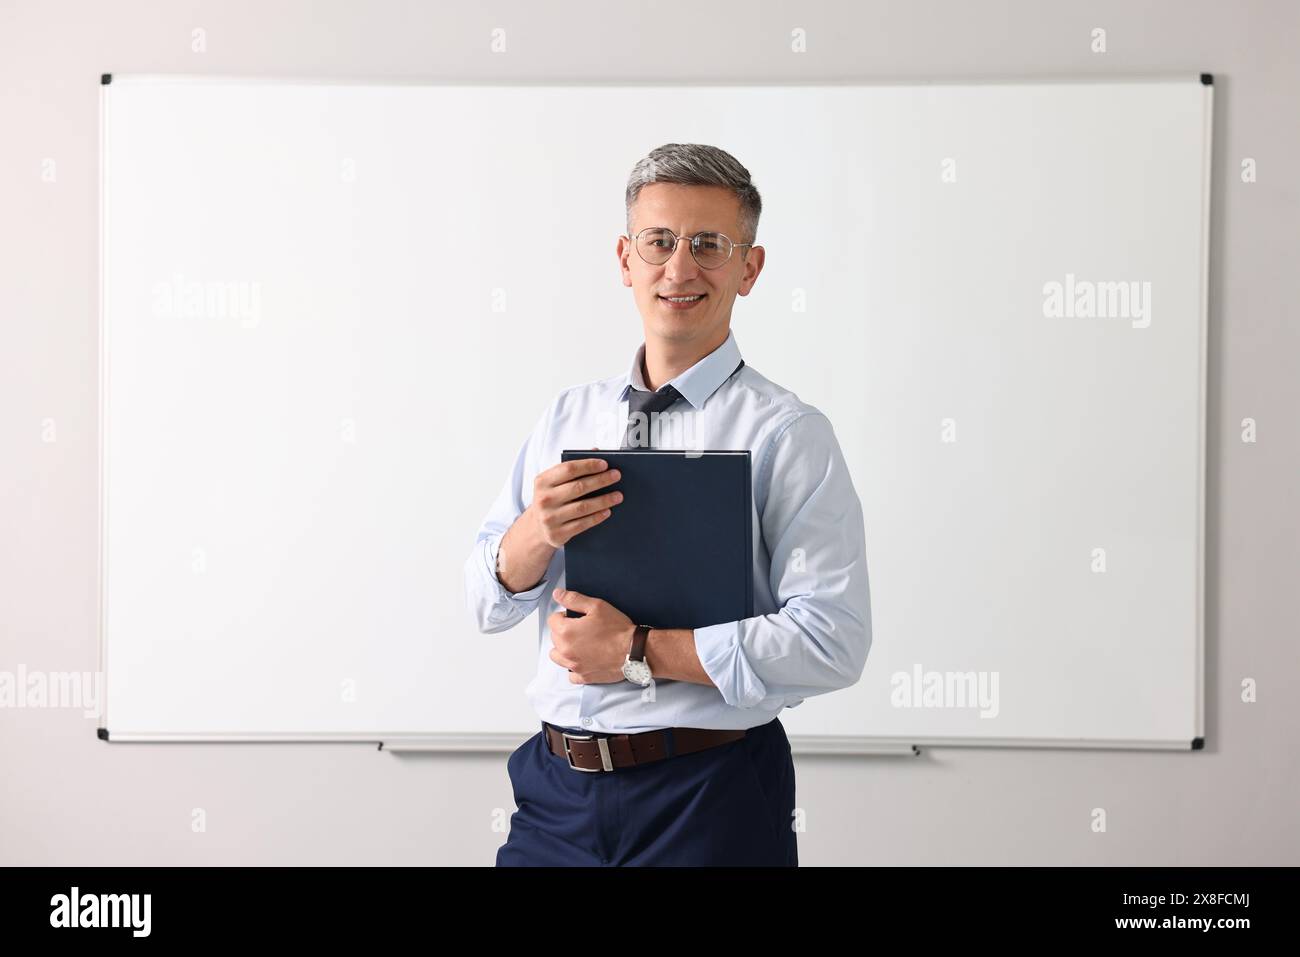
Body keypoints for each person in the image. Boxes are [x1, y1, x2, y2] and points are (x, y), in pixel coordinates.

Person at [464, 143, 871, 866]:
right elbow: (484, 601)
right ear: (626, 259)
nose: (679, 268)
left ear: (749, 267)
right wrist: (532, 534)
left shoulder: (787, 435)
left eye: (709, 244)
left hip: (710, 797)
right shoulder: (566, 417)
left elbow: (831, 639)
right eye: (659, 242)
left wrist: (637, 649)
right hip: (555, 795)